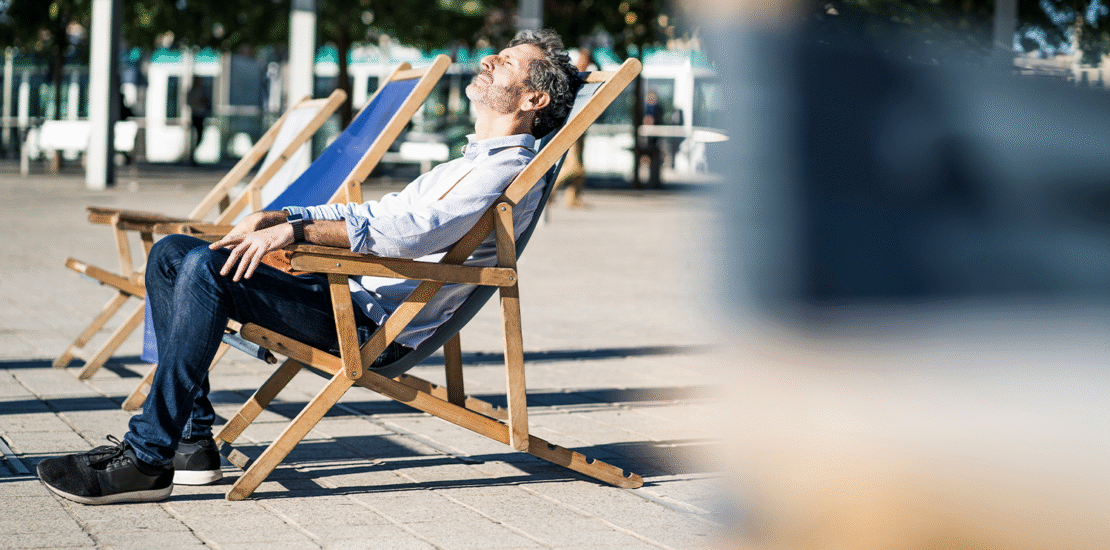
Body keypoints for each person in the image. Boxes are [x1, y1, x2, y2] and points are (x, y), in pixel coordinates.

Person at [37, 29, 579, 505]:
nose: (488, 61)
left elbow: (414, 232)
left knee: (206, 270)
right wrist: (289, 213)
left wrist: (296, 233)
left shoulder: (505, 170)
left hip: (368, 325)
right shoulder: (466, 163)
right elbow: (381, 213)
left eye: (506, 62)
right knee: (172, 253)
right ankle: (191, 443)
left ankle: (147, 458)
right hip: (340, 295)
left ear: (535, 97)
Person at [186, 77, 210, 165]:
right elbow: (189, 102)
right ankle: (191, 156)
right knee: (195, 136)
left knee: (200, 136)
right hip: (195, 116)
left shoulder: (201, 91)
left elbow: (206, 102)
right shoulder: (193, 91)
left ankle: (193, 154)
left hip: (201, 115)